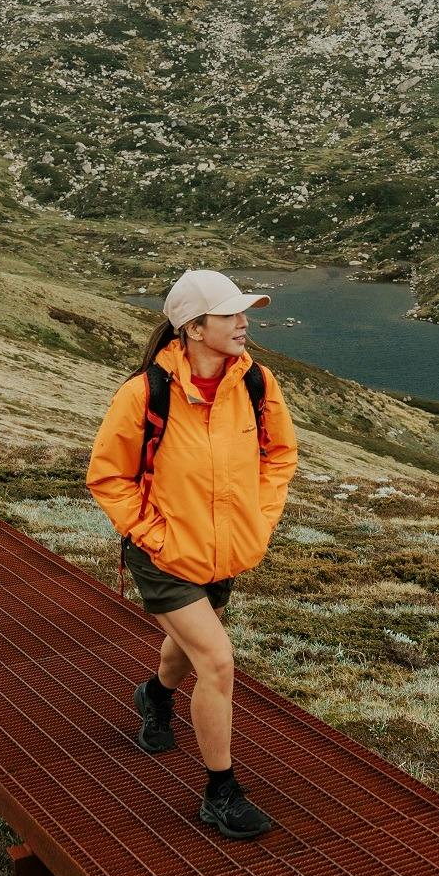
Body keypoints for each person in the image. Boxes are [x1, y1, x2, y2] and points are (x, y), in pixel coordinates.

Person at [87, 269, 298, 840]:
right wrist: (152, 535)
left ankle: (155, 695)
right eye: (230, 314)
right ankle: (219, 792)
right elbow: (108, 476)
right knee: (217, 660)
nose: (243, 323)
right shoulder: (145, 393)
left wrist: (259, 518)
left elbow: (280, 455)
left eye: (242, 312)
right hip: (162, 554)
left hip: (225, 549)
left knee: (189, 646)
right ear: (195, 328)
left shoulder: (255, 382)